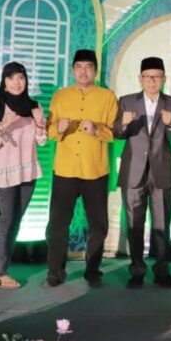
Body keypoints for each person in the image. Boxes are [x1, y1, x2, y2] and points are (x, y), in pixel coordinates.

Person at [46, 49, 118, 287]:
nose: (83, 71)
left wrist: (97, 130)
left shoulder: (107, 97)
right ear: (72, 70)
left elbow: (115, 132)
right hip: (65, 170)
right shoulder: (60, 96)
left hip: (95, 170)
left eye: (88, 67)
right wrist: (58, 128)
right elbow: (48, 132)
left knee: (98, 225)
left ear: (95, 70)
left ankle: (92, 270)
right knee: (57, 224)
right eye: (79, 67)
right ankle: (55, 271)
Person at [113, 57, 171, 289]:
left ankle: (162, 270)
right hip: (133, 170)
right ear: (140, 78)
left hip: (162, 170)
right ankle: (137, 270)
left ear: (164, 79)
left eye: (157, 76)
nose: (152, 80)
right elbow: (117, 133)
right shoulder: (126, 101)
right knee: (134, 223)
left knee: (162, 222)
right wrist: (123, 124)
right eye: (148, 76)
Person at [0, 62, 46, 289]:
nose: (16, 83)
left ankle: (2, 268)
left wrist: (40, 124)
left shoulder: (34, 106)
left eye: (21, 78)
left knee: (15, 221)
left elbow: (41, 141)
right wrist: (3, 126)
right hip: (4, 173)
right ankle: (0, 272)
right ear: (4, 82)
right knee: (6, 221)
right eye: (11, 78)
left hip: (27, 171)